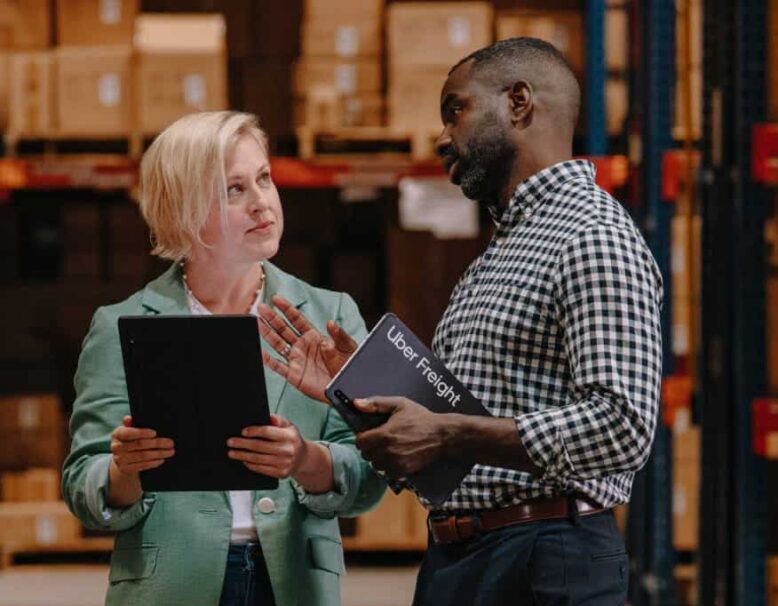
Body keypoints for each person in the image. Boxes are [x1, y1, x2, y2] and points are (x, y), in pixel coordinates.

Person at [260, 38, 662, 605]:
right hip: (463, 561)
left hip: (545, 560)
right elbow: (469, 416)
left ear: (519, 103)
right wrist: (361, 391)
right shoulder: (505, 247)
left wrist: (446, 433)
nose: (443, 138)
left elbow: (621, 426)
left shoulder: (590, 235)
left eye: (456, 110)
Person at [61, 110, 385, 606]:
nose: (263, 203)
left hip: (295, 583)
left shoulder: (330, 314)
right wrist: (125, 471)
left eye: (264, 179)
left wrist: (304, 459)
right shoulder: (120, 325)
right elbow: (84, 482)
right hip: (172, 586)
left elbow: (370, 472)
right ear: (184, 210)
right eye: (234, 190)